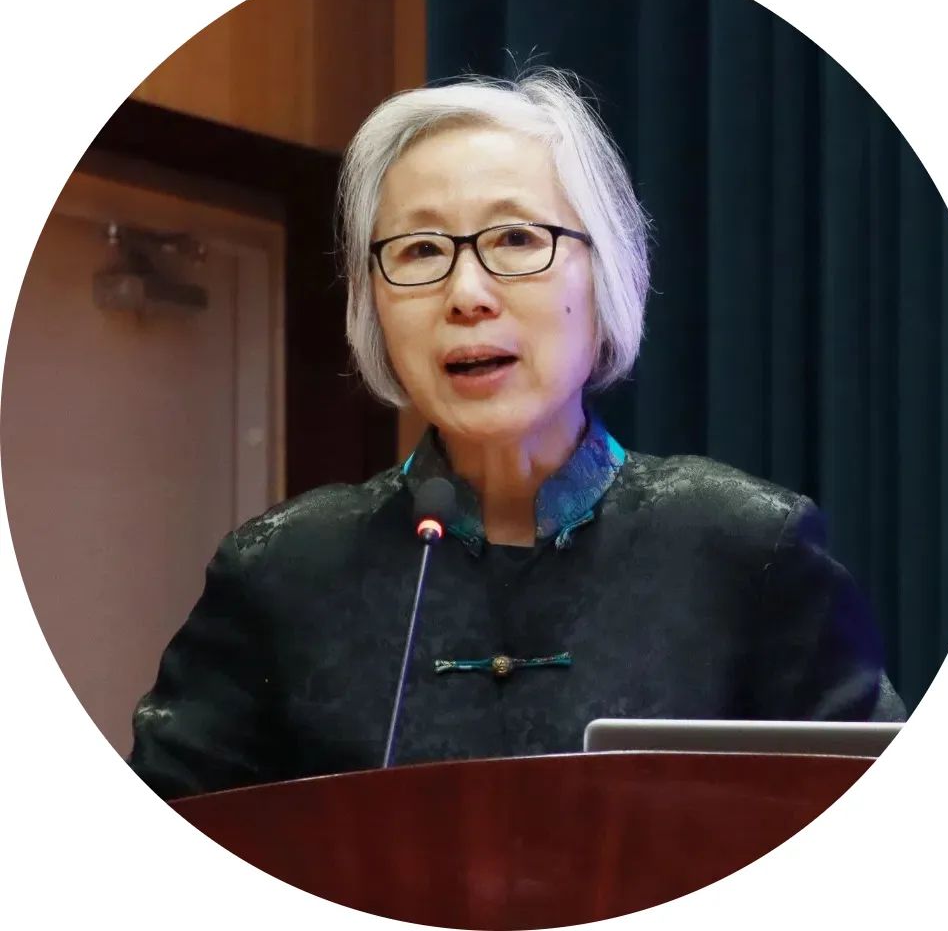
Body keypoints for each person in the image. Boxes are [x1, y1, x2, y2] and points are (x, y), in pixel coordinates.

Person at [129, 69, 905, 800]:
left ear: (605, 275)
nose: (466, 294)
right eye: (421, 250)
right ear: (373, 304)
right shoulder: (280, 571)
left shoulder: (747, 547)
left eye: (516, 240)